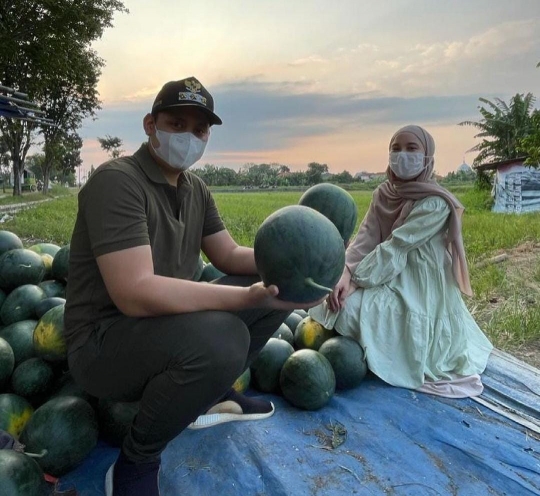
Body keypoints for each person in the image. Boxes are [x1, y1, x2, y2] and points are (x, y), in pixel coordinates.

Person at [64, 77, 323, 496]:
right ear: (151, 124)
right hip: (102, 344)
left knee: (266, 286)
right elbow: (136, 292)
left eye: (199, 129)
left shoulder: (195, 188)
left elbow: (228, 257)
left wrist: (298, 260)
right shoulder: (117, 181)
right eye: (176, 123)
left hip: (164, 327)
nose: (188, 136)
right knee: (222, 338)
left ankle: (208, 394)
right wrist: (243, 297)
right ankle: (137, 460)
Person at [309, 125, 493, 399]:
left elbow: (395, 248)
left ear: (427, 156)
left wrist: (356, 281)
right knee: (334, 300)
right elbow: (366, 238)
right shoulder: (383, 193)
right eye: (396, 148)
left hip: (419, 284)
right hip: (379, 269)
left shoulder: (435, 204)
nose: (402, 155)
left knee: (348, 307)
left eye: (411, 148)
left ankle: (391, 354)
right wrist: (344, 271)